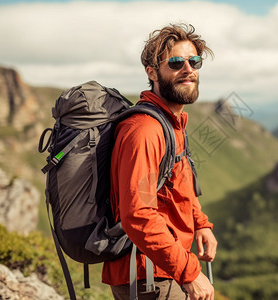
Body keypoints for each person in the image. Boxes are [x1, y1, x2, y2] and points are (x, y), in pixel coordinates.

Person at [102, 23, 218, 300]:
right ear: (152, 72)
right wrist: (189, 272)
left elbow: (177, 183)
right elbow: (138, 213)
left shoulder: (171, 123)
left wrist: (200, 223)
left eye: (194, 61)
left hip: (163, 269)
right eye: (176, 62)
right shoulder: (144, 131)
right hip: (149, 276)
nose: (188, 69)